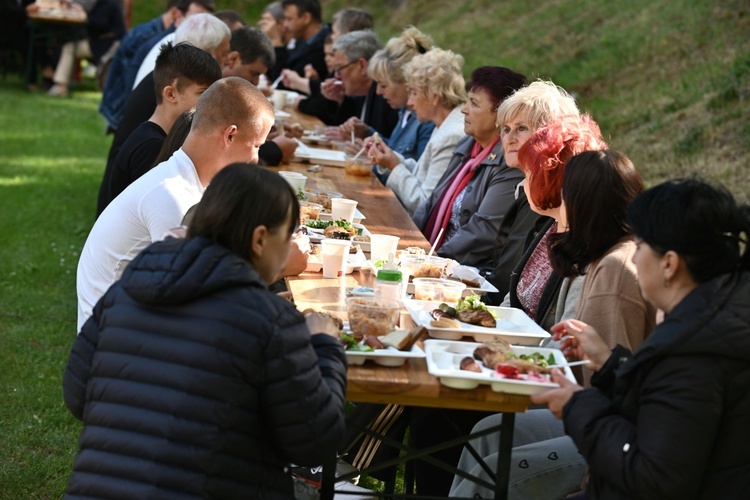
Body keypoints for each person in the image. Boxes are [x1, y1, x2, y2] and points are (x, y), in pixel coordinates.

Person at [64, 164, 348, 498]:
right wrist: (325, 345)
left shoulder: (126, 290)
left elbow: (77, 395)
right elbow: (315, 440)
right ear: (259, 239)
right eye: (287, 238)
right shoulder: (269, 321)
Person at [450, 147, 656, 499]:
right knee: (487, 432)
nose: (558, 202)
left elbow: (608, 386)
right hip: (589, 409)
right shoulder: (601, 254)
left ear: (584, 205)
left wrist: (527, 373)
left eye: (566, 194)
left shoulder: (615, 270)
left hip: (609, 428)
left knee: (497, 468)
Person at [529, 177, 750, 498]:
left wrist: (578, 406)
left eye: (641, 246)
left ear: (670, 264)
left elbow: (655, 477)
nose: (633, 258)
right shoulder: (721, 312)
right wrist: (610, 365)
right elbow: (670, 415)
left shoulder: (692, 351)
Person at [77, 77, 275, 331]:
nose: (256, 159)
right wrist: (273, 268)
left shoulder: (184, 179)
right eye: (256, 145)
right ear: (230, 135)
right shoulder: (171, 195)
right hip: (114, 343)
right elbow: (193, 297)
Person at [412, 66, 526, 269]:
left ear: (501, 116)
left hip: (464, 272)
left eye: (473, 104)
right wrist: (409, 242)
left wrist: (432, 260)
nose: (464, 109)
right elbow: (432, 203)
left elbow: (484, 231)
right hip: (433, 259)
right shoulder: (467, 146)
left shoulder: (509, 163)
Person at [96, 42, 221, 215]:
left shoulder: (161, 138)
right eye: (203, 94)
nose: (212, 103)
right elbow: (162, 212)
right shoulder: (151, 146)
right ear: (170, 94)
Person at [484, 80, 581, 302]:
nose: (509, 139)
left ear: (549, 136)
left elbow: (509, 278)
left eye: (521, 128)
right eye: (505, 129)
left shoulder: (551, 196)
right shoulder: (527, 186)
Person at [364, 48, 466, 215]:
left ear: (434, 96)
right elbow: (422, 175)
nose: (410, 103)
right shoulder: (445, 125)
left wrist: (394, 165)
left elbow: (424, 202)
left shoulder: (452, 135)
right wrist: (389, 158)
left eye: (413, 93)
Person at [98, 0, 213, 131]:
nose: (203, 27)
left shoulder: (164, 37)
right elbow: (131, 86)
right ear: (177, 15)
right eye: (197, 19)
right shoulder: (146, 37)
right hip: (122, 110)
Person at [362, 25, 436, 183]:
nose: (378, 93)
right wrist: (370, 135)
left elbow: (420, 178)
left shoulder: (427, 121)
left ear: (406, 82)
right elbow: (397, 150)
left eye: (383, 85)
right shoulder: (404, 111)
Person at [319, 30, 399, 135]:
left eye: (339, 68)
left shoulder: (387, 97)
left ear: (362, 65)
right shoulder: (361, 91)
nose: (336, 75)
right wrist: (339, 99)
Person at [46, 0, 126, 97]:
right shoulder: (108, 3)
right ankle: (61, 83)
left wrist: (84, 16)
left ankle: (61, 85)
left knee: (69, 48)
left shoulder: (108, 4)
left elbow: (99, 24)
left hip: (106, 45)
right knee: (68, 44)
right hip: (104, 42)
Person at [271, 0, 329, 85]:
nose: (285, 25)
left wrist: (277, 42)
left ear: (306, 18)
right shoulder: (302, 42)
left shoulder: (324, 48)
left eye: (289, 19)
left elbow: (282, 82)